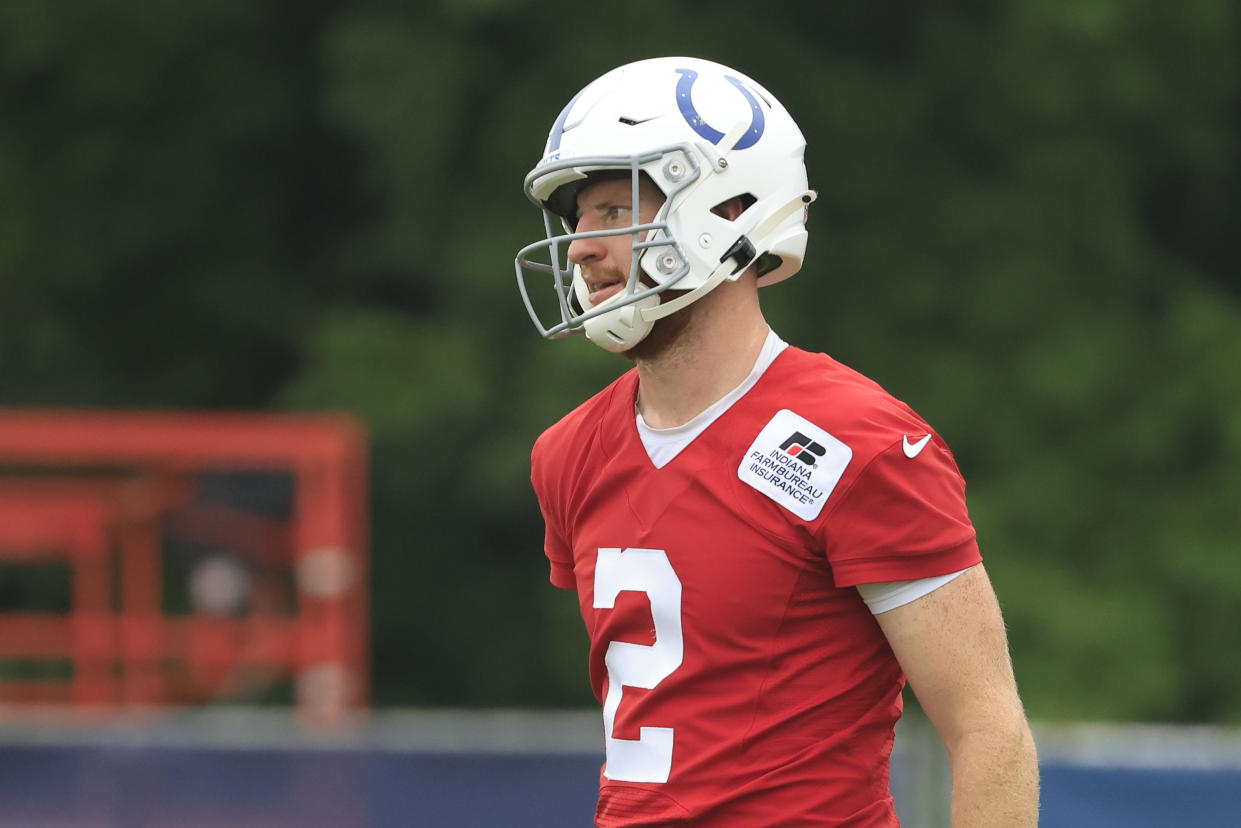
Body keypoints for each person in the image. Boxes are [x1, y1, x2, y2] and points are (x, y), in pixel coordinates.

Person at [514, 56, 1039, 827]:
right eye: (577, 219)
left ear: (724, 206)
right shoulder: (568, 453)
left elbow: (987, 729)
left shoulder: (857, 442)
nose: (582, 247)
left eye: (610, 210)